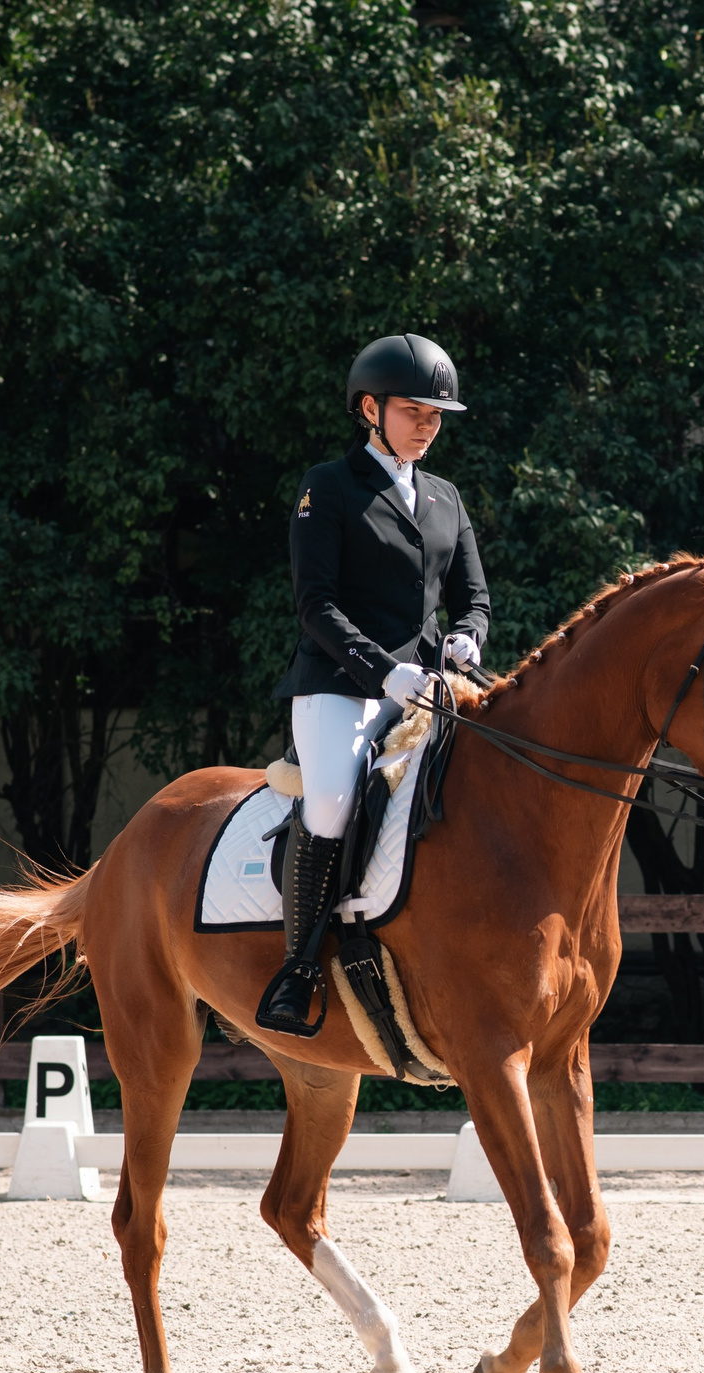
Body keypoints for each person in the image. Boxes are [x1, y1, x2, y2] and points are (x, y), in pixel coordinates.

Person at [256, 334, 491, 1036]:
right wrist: (382, 670)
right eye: (415, 410)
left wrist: (468, 636)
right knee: (330, 798)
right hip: (340, 684)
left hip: (427, 685)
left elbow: (473, 595)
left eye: (437, 413)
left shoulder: (446, 498)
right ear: (370, 408)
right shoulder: (328, 485)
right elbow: (315, 605)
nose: (429, 423)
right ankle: (298, 968)